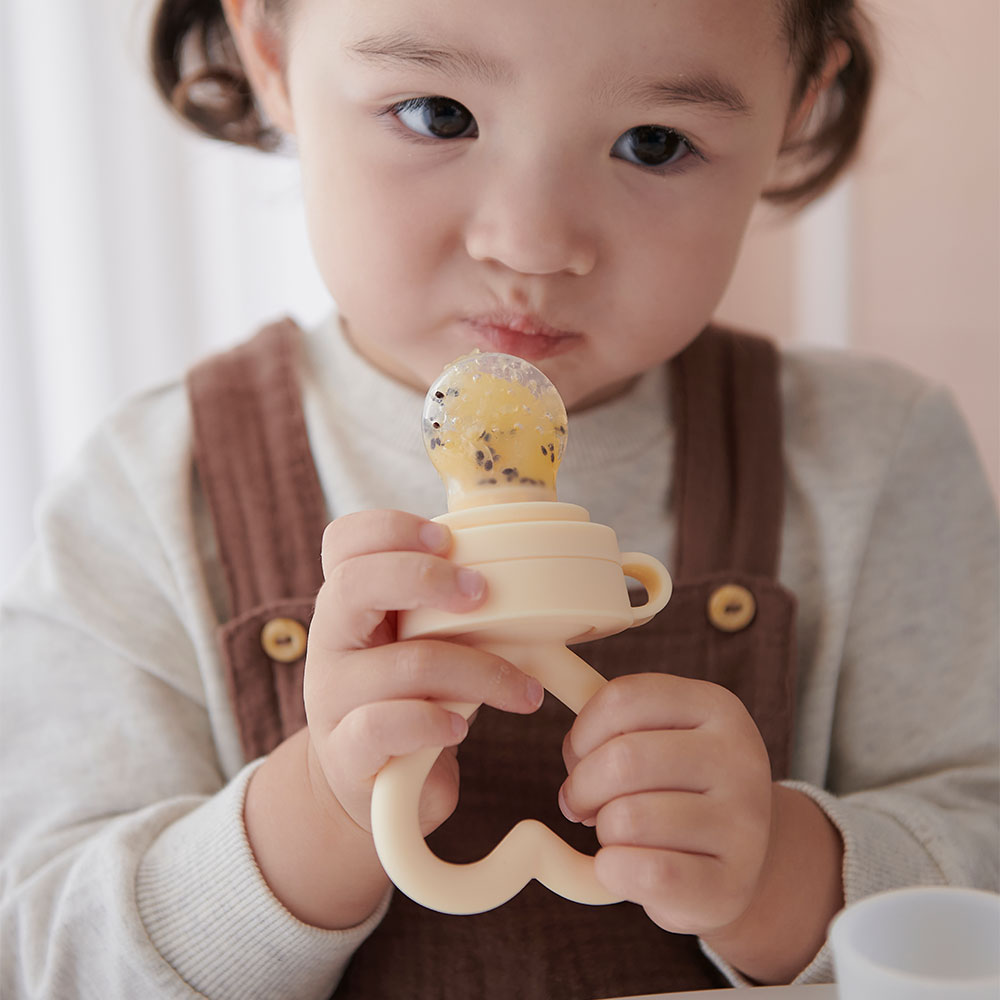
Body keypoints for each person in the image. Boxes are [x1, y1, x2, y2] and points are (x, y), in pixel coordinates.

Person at [1, 0, 997, 996]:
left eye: (653, 143)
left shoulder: (877, 458)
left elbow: (979, 855)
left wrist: (784, 876)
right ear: (269, 56)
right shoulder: (145, 496)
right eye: (438, 115)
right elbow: (51, 954)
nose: (531, 245)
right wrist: (312, 820)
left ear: (792, 112)